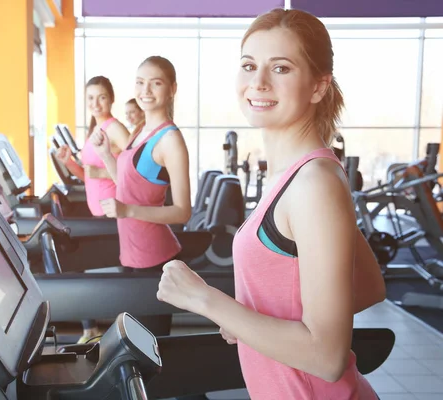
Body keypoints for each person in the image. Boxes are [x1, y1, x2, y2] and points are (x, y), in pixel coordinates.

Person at [156, 8, 386, 400]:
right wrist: (249, 322)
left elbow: (327, 358)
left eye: (280, 68)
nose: (258, 82)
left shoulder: (314, 184)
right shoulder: (294, 174)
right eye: (248, 65)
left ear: (317, 87)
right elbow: (370, 286)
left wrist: (206, 300)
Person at [91, 56, 192, 337]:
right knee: (134, 343)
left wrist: (128, 211)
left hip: (155, 259)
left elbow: (183, 211)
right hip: (132, 252)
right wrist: (104, 155)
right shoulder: (139, 131)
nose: (146, 90)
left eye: (155, 83)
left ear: (172, 89)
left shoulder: (170, 140)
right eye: (140, 82)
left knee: (151, 347)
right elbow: (125, 184)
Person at [56, 76, 130, 343]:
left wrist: (99, 169)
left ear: (111, 99)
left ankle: (91, 330)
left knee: (74, 261)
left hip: (111, 213)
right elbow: (88, 176)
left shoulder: (114, 128)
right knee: (75, 262)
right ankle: (90, 329)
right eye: (90, 98)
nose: (96, 103)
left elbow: (133, 167)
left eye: (101, 97)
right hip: (98, 211)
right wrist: (68, 163)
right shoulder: (95, 131)